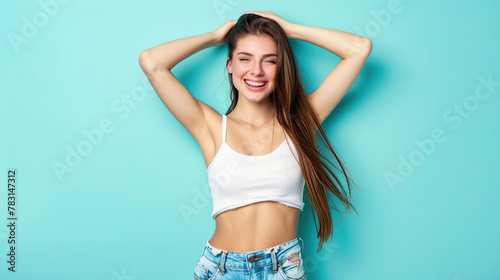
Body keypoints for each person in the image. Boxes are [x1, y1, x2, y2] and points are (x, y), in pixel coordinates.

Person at [139, 10, 371, 280]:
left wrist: (290, 29)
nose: (256, 71)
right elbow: (151, 62)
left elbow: (359, 49)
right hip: (220, 269)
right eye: (244, 58)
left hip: (282, 268)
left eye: (269, 61)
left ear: (280, 67)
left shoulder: (301, 123)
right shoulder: (210, 127)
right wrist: (214, 37)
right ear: (230, 65)